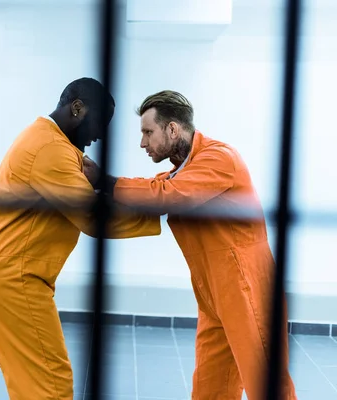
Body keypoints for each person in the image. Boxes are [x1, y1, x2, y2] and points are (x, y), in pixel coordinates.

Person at [0, 78, 162, 400]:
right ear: (77, 108)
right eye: (99, 123)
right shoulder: (51, 148)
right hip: (11, 274)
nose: (99, 135)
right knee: (48, 380)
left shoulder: (40, 137)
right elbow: (91, 216)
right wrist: (160, 208)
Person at [83, 90, 297, 400]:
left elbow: (168, 195)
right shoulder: (182, 170)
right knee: (210, 387)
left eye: (148, 132)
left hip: (247, 287)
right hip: (213, 293)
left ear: (172, 129)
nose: (143, 143)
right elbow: (156, 189)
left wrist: (107, 181)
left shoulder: (220, 158)